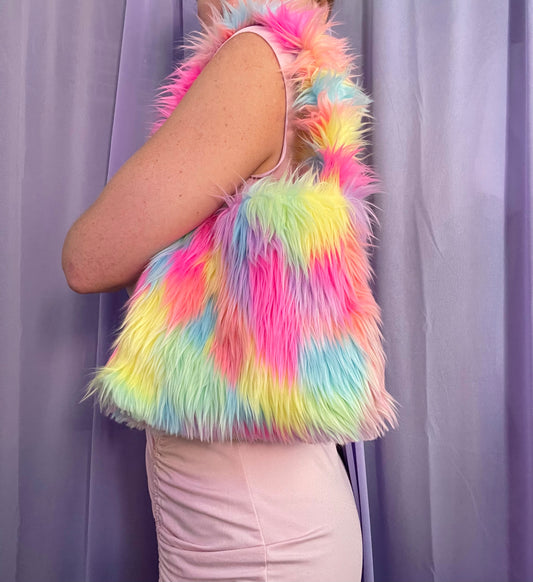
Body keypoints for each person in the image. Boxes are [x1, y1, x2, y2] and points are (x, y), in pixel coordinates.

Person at [62, 0, 365, 580]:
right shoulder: (303, 68)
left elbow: (87, 258)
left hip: (253, 540)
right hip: (256, 520)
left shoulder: (256, 58)